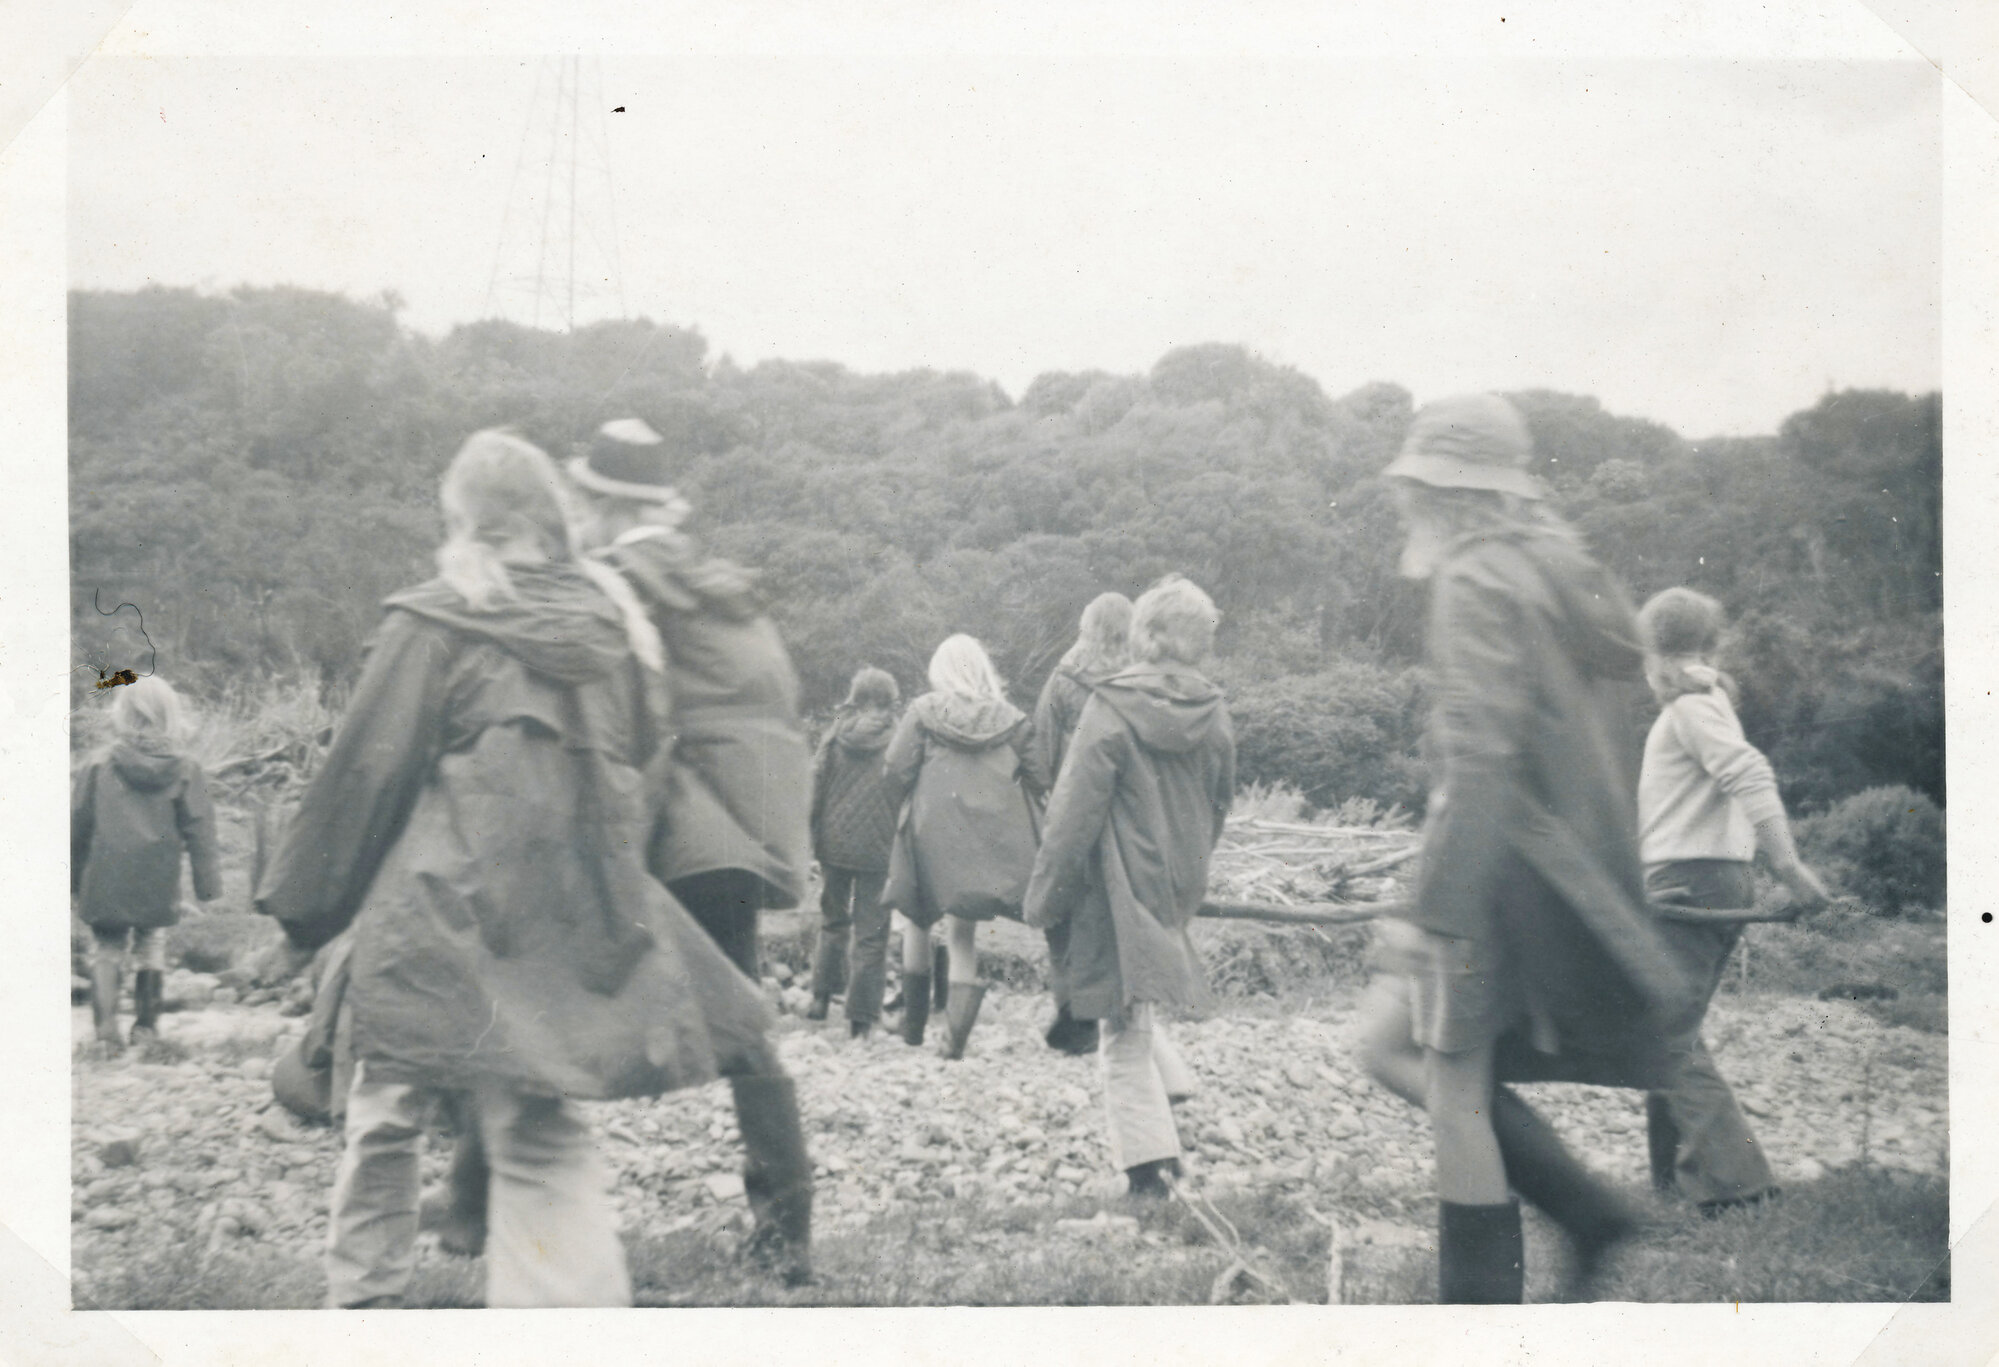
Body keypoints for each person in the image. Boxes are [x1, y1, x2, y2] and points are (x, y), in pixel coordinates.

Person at [255, 430, 778, 1308]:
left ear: (467, 521)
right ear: (549, 518)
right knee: (539, 1124)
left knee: (385, 1104)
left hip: (434, 910)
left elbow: (366, 774)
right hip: (564, 920)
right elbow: (645, 769)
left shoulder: (437, 618)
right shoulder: (619, 631)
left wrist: (303, 917)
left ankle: (367, 1306)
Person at [1354, 393, 1693, 1303]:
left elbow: (1479, 755)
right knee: (1385, 1043)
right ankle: (1587, 1212)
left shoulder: (1475, 578)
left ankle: (1488, 1310)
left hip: (1496, 868)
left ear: (1444, 492)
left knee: (1453, 1087)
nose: (1406, 502)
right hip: (1553, 861)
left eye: (1417, 485)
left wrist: (1433, 909)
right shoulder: (1560, 569)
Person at [1024, 576, 1234, 1199]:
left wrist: (1044, 896)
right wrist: (1188, 864)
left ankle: (1150, 1177)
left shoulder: (1109, 707)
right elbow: (1219, 804)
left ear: (1144, 634)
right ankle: (1167, 1115)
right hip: (1176, 876)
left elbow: (1071, 814)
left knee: (1117, 1028)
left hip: (1112, 879)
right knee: (1134, 1008)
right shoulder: (1215, 712)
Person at [1636, 586, 1829, 1214]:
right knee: (1668, 1026)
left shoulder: (1693, 707)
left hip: (1691, 881)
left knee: (1664, 1032)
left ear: (1650, 648)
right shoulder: (1701, 702)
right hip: (1702, 876)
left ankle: (1736, 1186)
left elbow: (1749, 773)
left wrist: (1789, 864)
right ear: (1711, 643)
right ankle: (1674, 1182)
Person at [881, 634, 1047, 1057]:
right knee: (961, 934)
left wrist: (905, 804)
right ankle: (954, 1040)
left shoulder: (922, 712)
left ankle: (913, 1029)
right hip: (983, 836)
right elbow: (1041, 778)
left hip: (928, 828)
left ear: (941, 671)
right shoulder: (1014, 720)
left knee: (917, 921)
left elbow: (895, 769)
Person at [71, 676, 223, 1051]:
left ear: (121, 715)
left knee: (106, 948)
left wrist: (71, 881)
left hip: (106, 877)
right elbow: (201, 830)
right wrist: (208, 888)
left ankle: (105, 1036)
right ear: (172, 716)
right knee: (151, 945)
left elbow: (77, 826)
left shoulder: (98, 764)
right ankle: (147, 1030)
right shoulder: (187, 769)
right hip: (157, 879)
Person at [1029, 592, 1134, 1056]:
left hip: (1072, 807)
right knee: (1116, 913)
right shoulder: (1142, 680)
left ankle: (1074, 1012)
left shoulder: (1064, 677)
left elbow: (1042, 751)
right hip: (1129, 813)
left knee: (1062, 910)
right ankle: (1121, 1014)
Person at [807, 666, 903, 1036]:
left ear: (856, 698)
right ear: (889, 700)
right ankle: (860, 1019)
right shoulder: (899, 739)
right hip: (879, 850)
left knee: (832, 918)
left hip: (833, 844)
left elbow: (815, 786)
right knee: (871, 930)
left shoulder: (835, 736)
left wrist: (812, 836)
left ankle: (819, 997)